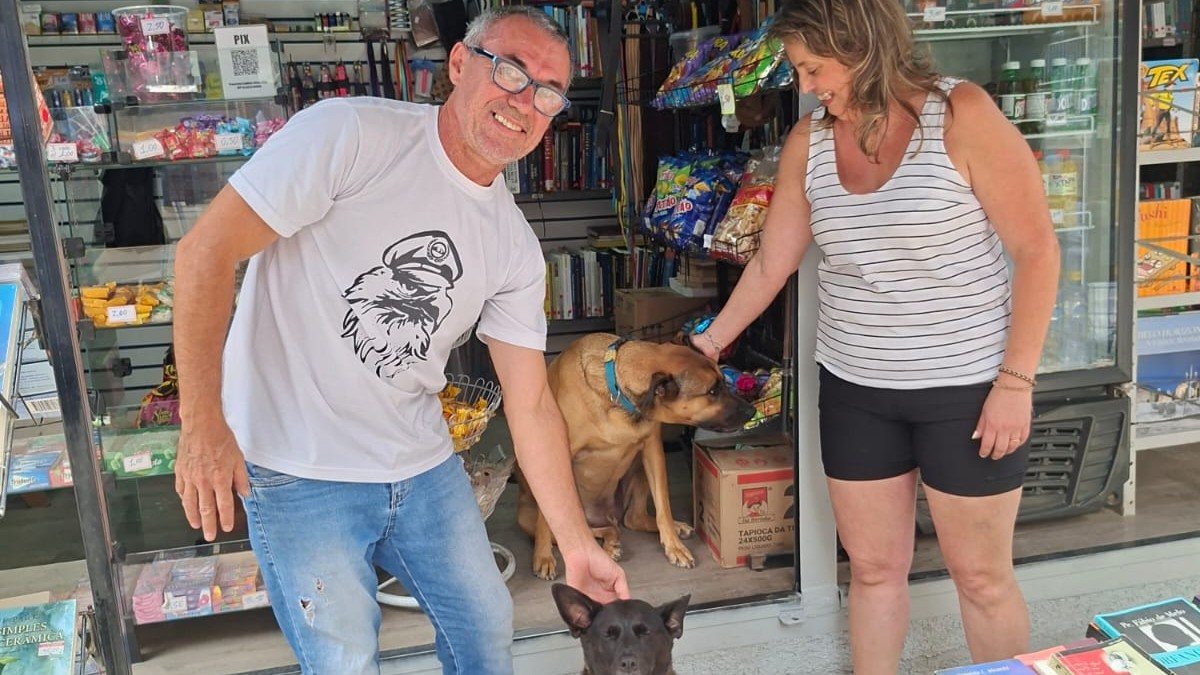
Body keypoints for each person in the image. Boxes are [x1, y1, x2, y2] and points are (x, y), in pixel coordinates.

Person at [171, 7, 628, 674]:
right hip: (299, 469)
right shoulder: (349, 135)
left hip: (420, 465)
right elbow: (204, 253)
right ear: (459, 65)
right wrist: (203, 424)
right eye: (510, 71)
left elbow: (530, 405)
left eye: (548, 91)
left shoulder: (514, 247)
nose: (524, 101)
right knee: (344, 659)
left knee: (485, 627)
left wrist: (575, 539)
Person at [690, 1, 1059, 672]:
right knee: (873, 571)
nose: (805, 86)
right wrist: (709, 344)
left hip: (968, 390)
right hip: (857, 389)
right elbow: (774, 261)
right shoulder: (810, 140)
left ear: (858, 44)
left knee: (981, 577)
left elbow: (1037, 250)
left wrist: (1016, 380)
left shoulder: (963, 114)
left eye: (812, 67)